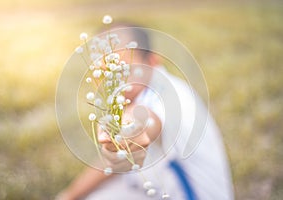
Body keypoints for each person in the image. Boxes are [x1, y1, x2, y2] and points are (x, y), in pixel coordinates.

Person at [56, 23, 234, 200]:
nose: (111, 81)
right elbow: (110, 166)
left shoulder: (172, 99)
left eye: (122, 70)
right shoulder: (140, 92)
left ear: (152, 62)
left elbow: (148, 120)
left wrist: (132, 129)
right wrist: (68, 196)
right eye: (103, 72)